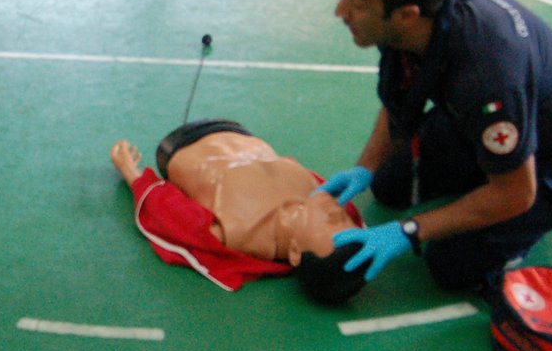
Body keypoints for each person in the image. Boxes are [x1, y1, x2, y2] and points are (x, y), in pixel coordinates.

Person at [319, 0, 552, 294]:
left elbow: (515, 193)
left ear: (407, 15)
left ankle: (531, 212)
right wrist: (365, 167)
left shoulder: (486, 77)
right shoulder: (412, 21)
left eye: (357, 2)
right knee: (389, 185)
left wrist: (408, 230)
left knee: (451, 265)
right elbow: (401, 97)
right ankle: (485, 174)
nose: (340, 11)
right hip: (476, 122)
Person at [111, 120, 364, 300]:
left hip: (179, 143)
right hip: (239, 131)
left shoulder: (235, 234)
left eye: (334, 232)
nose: (337, 215)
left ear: (296, 252)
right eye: (347, 223)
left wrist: (132, 174)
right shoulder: (325, 196)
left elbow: (168, 215)